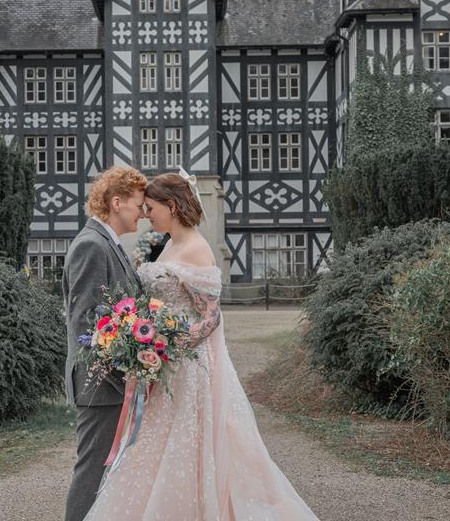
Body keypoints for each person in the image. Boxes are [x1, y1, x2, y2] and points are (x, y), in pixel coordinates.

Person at [82, 170, 319, 520]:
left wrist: (171, 344)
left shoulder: (196, 247)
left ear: (172, 207)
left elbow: (211, 317)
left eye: (151, 207)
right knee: (152, 449)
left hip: (185, 368)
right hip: (163, 368)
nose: (147, 214)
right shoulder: (167, 245)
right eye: (143, 208)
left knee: (187, 447)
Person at [62, 166, 147, 521]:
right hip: (101, 383)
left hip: (113, 382)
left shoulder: (108, 244)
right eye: (138, 205)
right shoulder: (91, 246)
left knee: (107, 474)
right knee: (92, 471)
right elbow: (87, 322)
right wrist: (122, 366)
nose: (143, 213)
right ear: (116, 203)